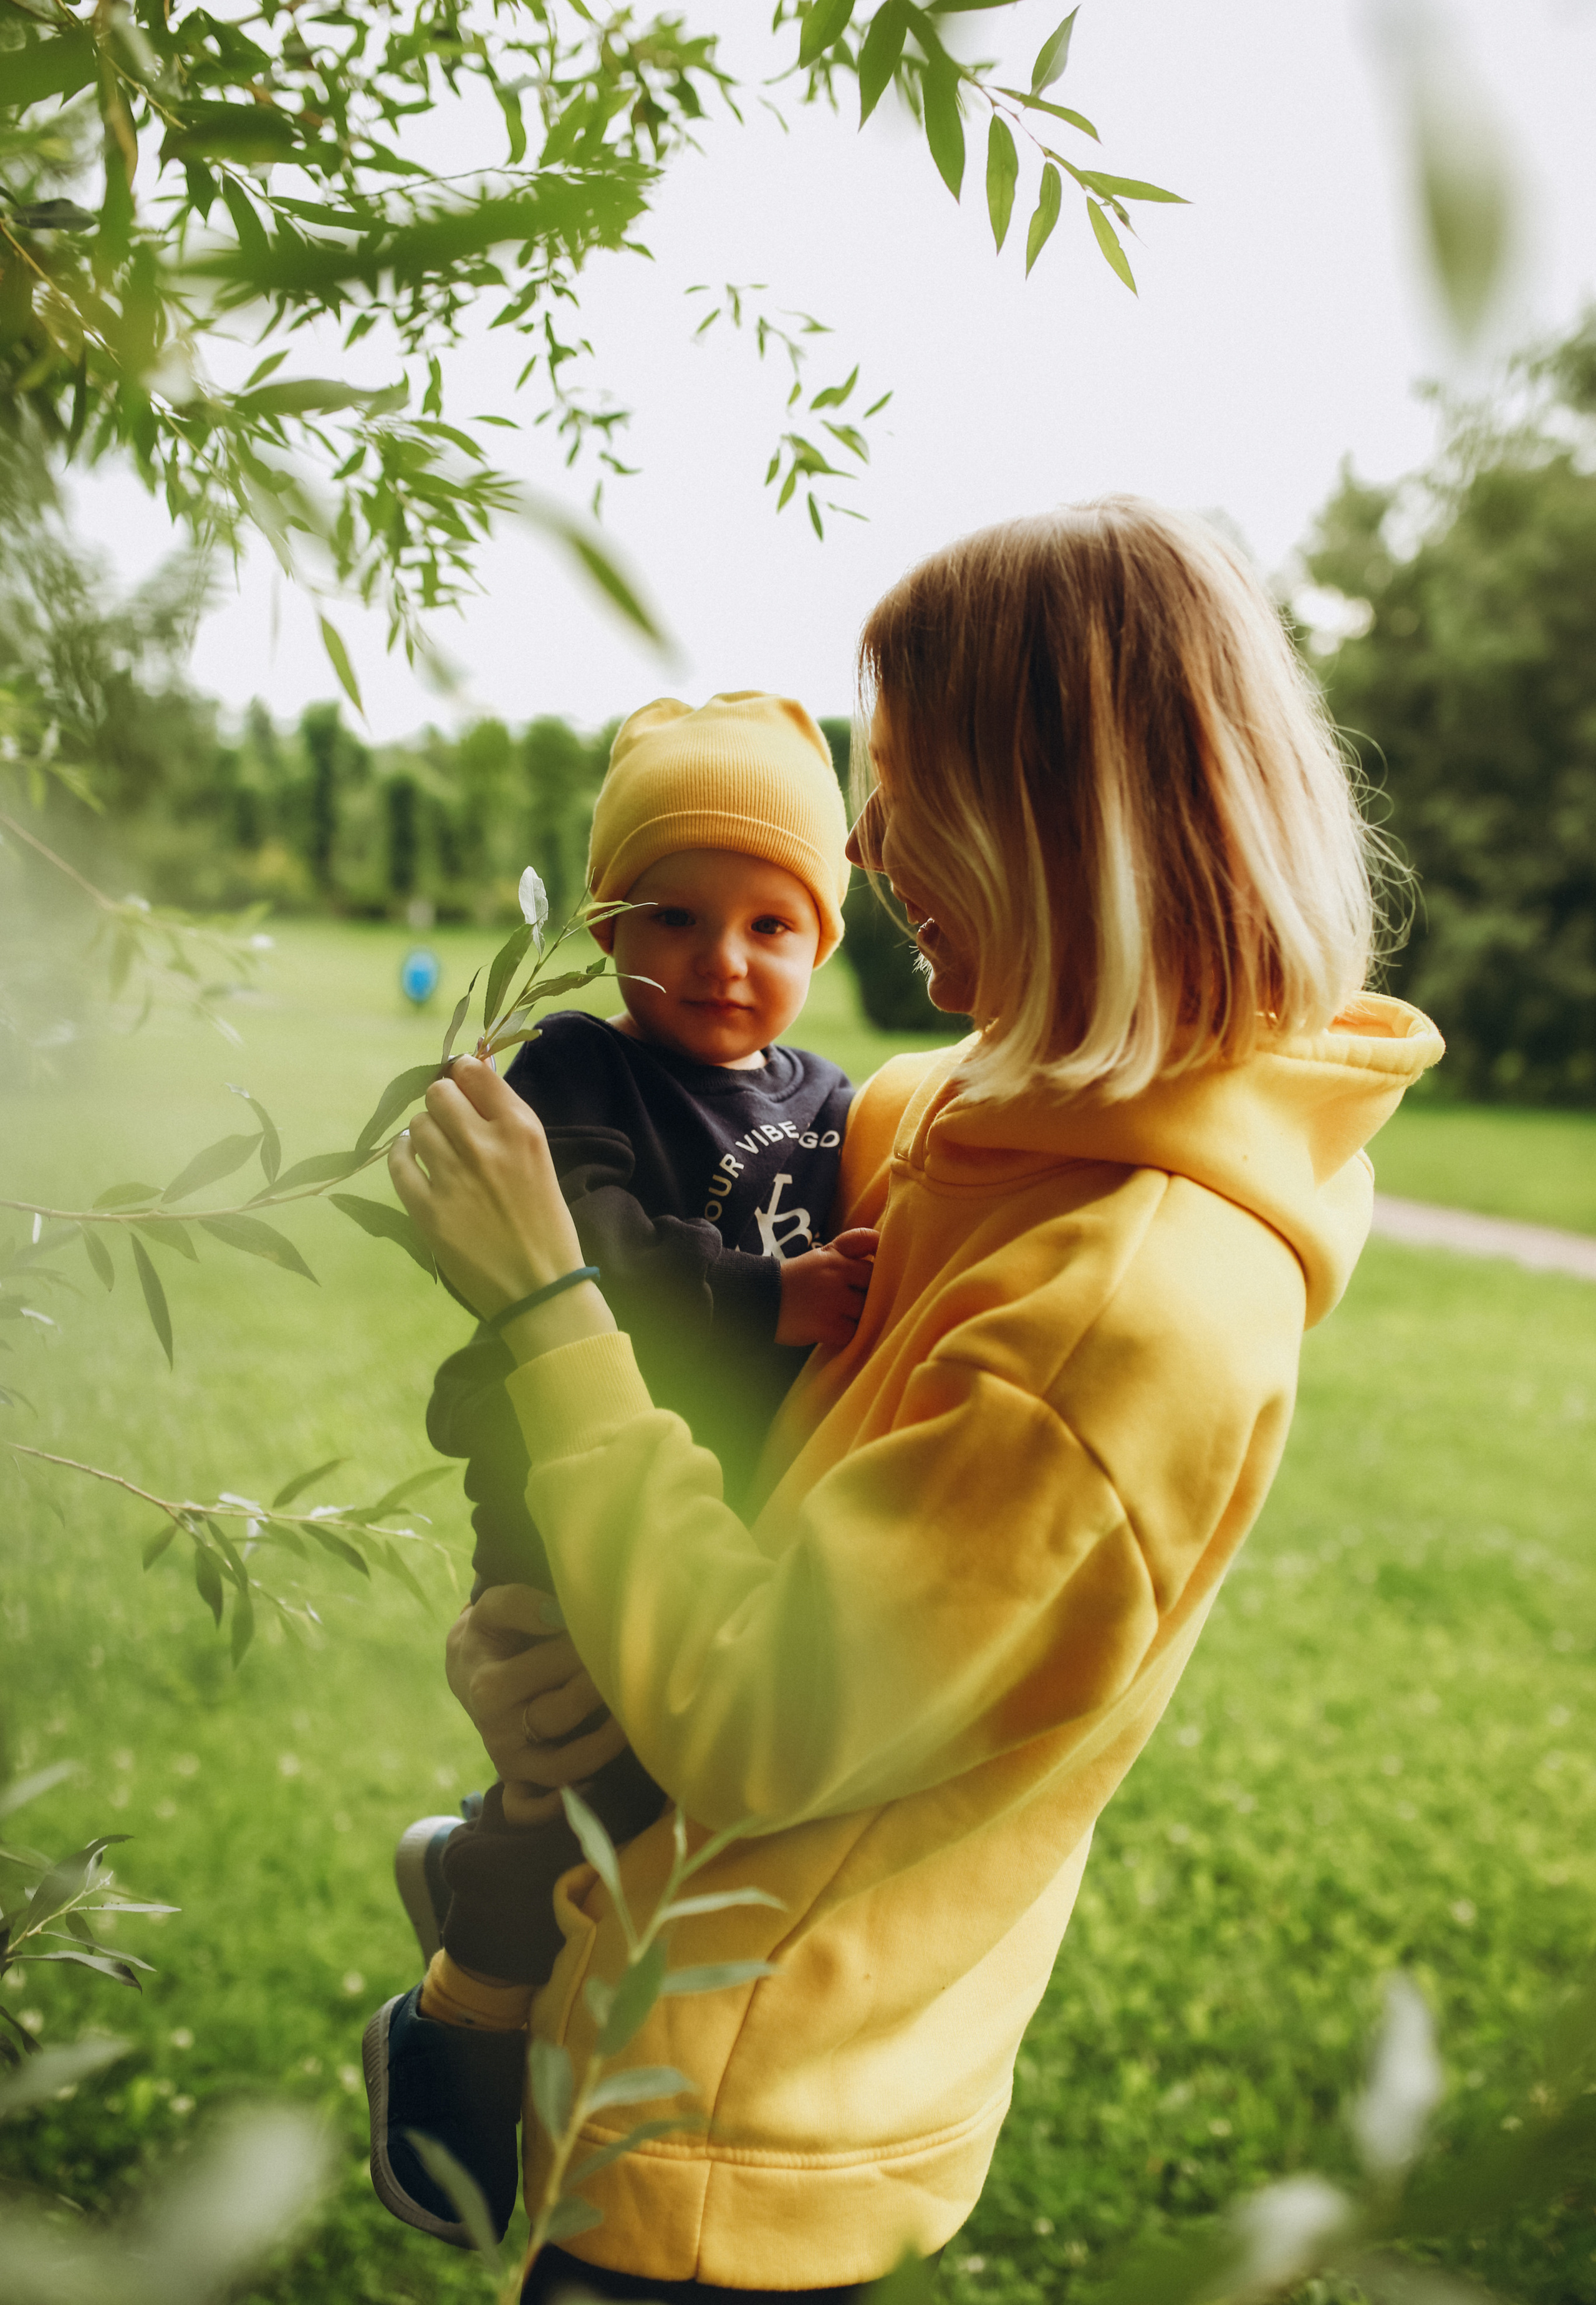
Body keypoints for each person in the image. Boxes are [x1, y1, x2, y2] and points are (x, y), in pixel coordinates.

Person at [388, 499, 1445, 2302]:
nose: (866, 847)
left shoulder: (1140, 1313)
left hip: (740, 2118)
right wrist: (537, 1647)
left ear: (1062, 822)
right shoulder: (951, 1122)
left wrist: (551, 1297)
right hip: (633, 1974)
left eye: (912, 787)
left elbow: (750, 1716)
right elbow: (717, 1453)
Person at [365, 691, 878, 2250]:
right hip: (561, 1478)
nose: (724, 960)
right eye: (676, 915)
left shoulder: (829, 1104)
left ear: (823, 940)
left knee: (664, 1791)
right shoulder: (580, 1068)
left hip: (706, 1506)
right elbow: (570, 1252)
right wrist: (767, 1298)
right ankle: (465, 2004)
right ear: (602, 925)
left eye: (770, 922)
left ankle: (480, 1875)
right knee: (581, 1746)